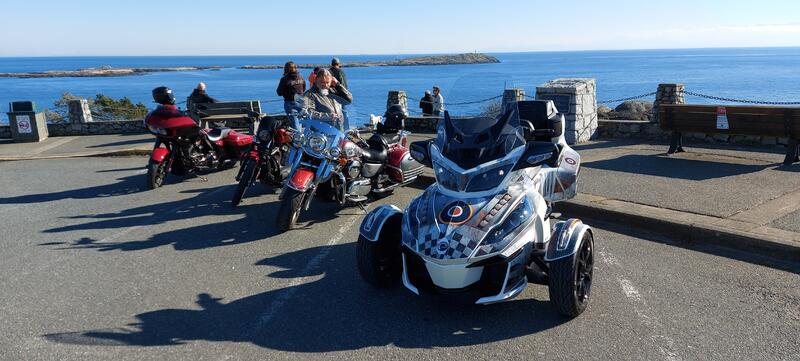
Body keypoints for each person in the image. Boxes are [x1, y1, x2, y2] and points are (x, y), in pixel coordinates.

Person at [276, 61, 306, 130]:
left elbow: (279, 92)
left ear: (286, 69)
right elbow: (303, 88)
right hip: (301, 101)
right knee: (302, 123)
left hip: (290, 103)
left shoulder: (285, 79)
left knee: (295, 125)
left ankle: (298, 140)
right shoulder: (301, 77)